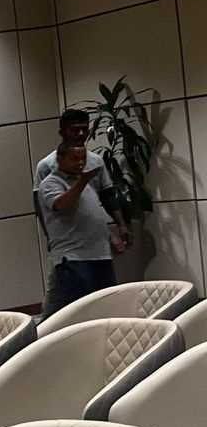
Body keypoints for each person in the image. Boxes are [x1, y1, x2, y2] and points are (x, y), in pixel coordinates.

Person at [34, 109, 129, 311]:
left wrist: (118, 227)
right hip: (71, 252)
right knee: (68, 307)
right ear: (62, 132)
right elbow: (50, 205)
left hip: (98, 249)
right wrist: (49, 237)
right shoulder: (48, 169)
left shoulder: (94, 162)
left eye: (84, 129)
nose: (80, 134)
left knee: (105, 304)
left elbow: (104, 198)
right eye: (74, 129)